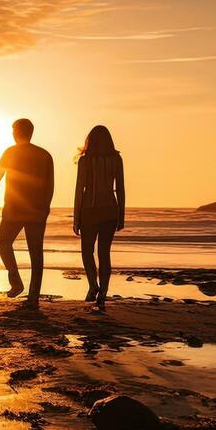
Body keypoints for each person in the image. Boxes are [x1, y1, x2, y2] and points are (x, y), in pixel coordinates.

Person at [0, 118, 54, 309]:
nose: (12, 134)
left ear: (19, 132)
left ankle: (15, 279)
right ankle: (33, 295)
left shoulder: (11, 152)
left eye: (13, 130)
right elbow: (50, 185)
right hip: (36, 209)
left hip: (14, 208)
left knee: (3, 242)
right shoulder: (44, 155)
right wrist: (45, 207)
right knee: (35, 252)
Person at [73, 125, 126, 312]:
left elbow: (80, 190)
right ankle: (102, 294)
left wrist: (75, 218)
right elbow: (120, 189)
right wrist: (122, 215)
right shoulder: (116, 159)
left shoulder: (85, 161)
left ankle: (92, 285)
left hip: (89, 210)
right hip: (110, 210)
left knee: (87, 251)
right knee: (104, 253)